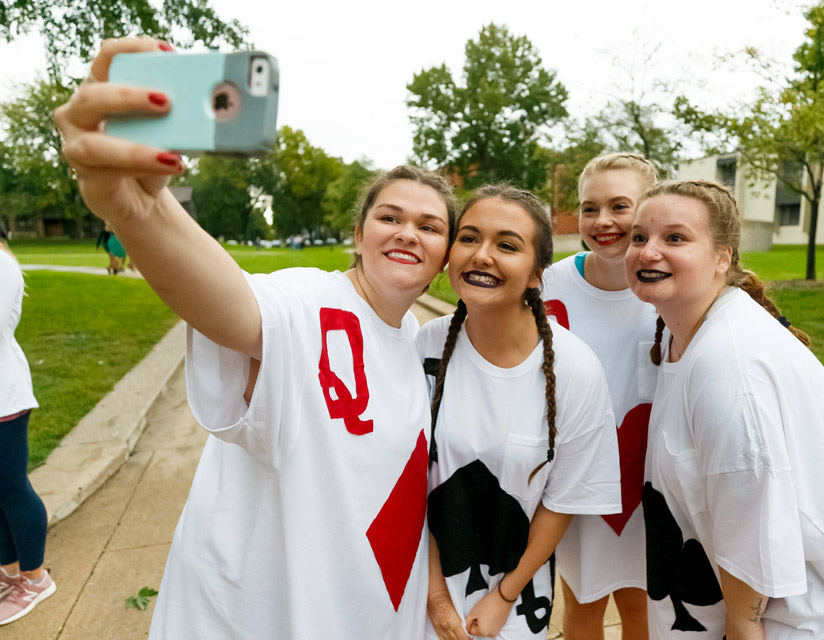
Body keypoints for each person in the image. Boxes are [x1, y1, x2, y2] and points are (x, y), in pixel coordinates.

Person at [55, 37, 458, 638]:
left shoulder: (416, 339)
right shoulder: (307, 301)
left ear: (445, 253)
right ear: (358, 233)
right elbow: (235, 303)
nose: (408, 233)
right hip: (264, 616)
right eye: (390, 216)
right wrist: (137, 212)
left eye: (430, 225)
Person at [626, 179, 824, 640]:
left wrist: (743, 625)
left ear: (723, 257)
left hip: (815, 614)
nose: (647, 251)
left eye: (675, 238)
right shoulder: (686, 333)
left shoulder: (729, 365)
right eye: (640, 237)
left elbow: (752, 512)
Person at [419, 185, 621, 640]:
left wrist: (504, 597)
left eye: (507, 245)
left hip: (512, 604)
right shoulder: (422, 347)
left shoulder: (576, 370)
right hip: (417, 584)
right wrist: (435, 597)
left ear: (535, 274)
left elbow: (561, 501)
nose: (482, 255)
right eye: (468, 238)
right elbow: (407, 483)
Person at [541, 152, 660, 640]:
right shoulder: (549, 285)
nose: (603, 221)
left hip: (652, 480)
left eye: (619, 206)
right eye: (590, 208)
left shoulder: (668, 287)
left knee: (644, 605)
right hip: (579, 478)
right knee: (584, 602)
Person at [0, 223, 57, 627]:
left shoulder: (2, 265)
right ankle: (8, 568)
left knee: (12, 487)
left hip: (5, 397)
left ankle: (35, 579)